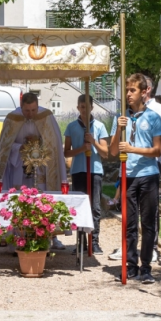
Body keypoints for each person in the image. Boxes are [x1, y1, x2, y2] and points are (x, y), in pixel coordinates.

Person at [109, 73, 161, 284]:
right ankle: (130, 266)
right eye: (127, 90)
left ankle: (146, 267)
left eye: (132, 90)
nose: (128, 94)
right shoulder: (121, 118)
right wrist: (119, 129)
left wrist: (133, 149)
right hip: (128, 176)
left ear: (144, 92)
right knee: (129, 223)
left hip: (148, 175)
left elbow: (157, 150)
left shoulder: (153, 117)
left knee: (148, 223)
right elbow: (112, 151)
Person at [64, 94, 110, 256]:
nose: (84, 110)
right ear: (78, 108)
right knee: (79, 206)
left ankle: (94, 242)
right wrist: (82, 149)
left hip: (95, 170)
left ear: (92, 107)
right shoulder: (71, 126)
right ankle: (81, 242)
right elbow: (66, 152)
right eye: (82, 107)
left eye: (87, 107)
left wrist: (93, 142)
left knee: (95, 207)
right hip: (78, 170)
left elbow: (105, 153)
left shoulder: (99, 126)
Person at [0, 92, 65, 192]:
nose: (31, 114)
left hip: (41, 165)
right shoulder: (12, 118)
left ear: (38, 106)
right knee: (20, 194)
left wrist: (37, 142)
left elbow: (54, 143)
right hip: (19, 165)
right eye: (27, 111)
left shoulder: (46, 116)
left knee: (40, 193)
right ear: (21, 107)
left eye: (34, 110)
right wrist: (21, 147)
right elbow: (5, 146)